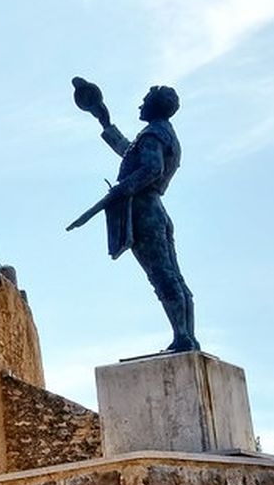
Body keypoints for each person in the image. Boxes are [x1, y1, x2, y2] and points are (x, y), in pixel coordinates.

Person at [68, 83, 199, 353]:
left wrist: (121, 190)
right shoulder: (163, 133)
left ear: (154, 107)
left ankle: (183, 337)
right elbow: (129, 152)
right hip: (152, 208)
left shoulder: (153, 133)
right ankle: (185, 336)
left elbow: (152, 168)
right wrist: (105, 122)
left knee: (162, 276)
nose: (140, 105)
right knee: (171, 274)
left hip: (143, 209)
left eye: (144, 101)